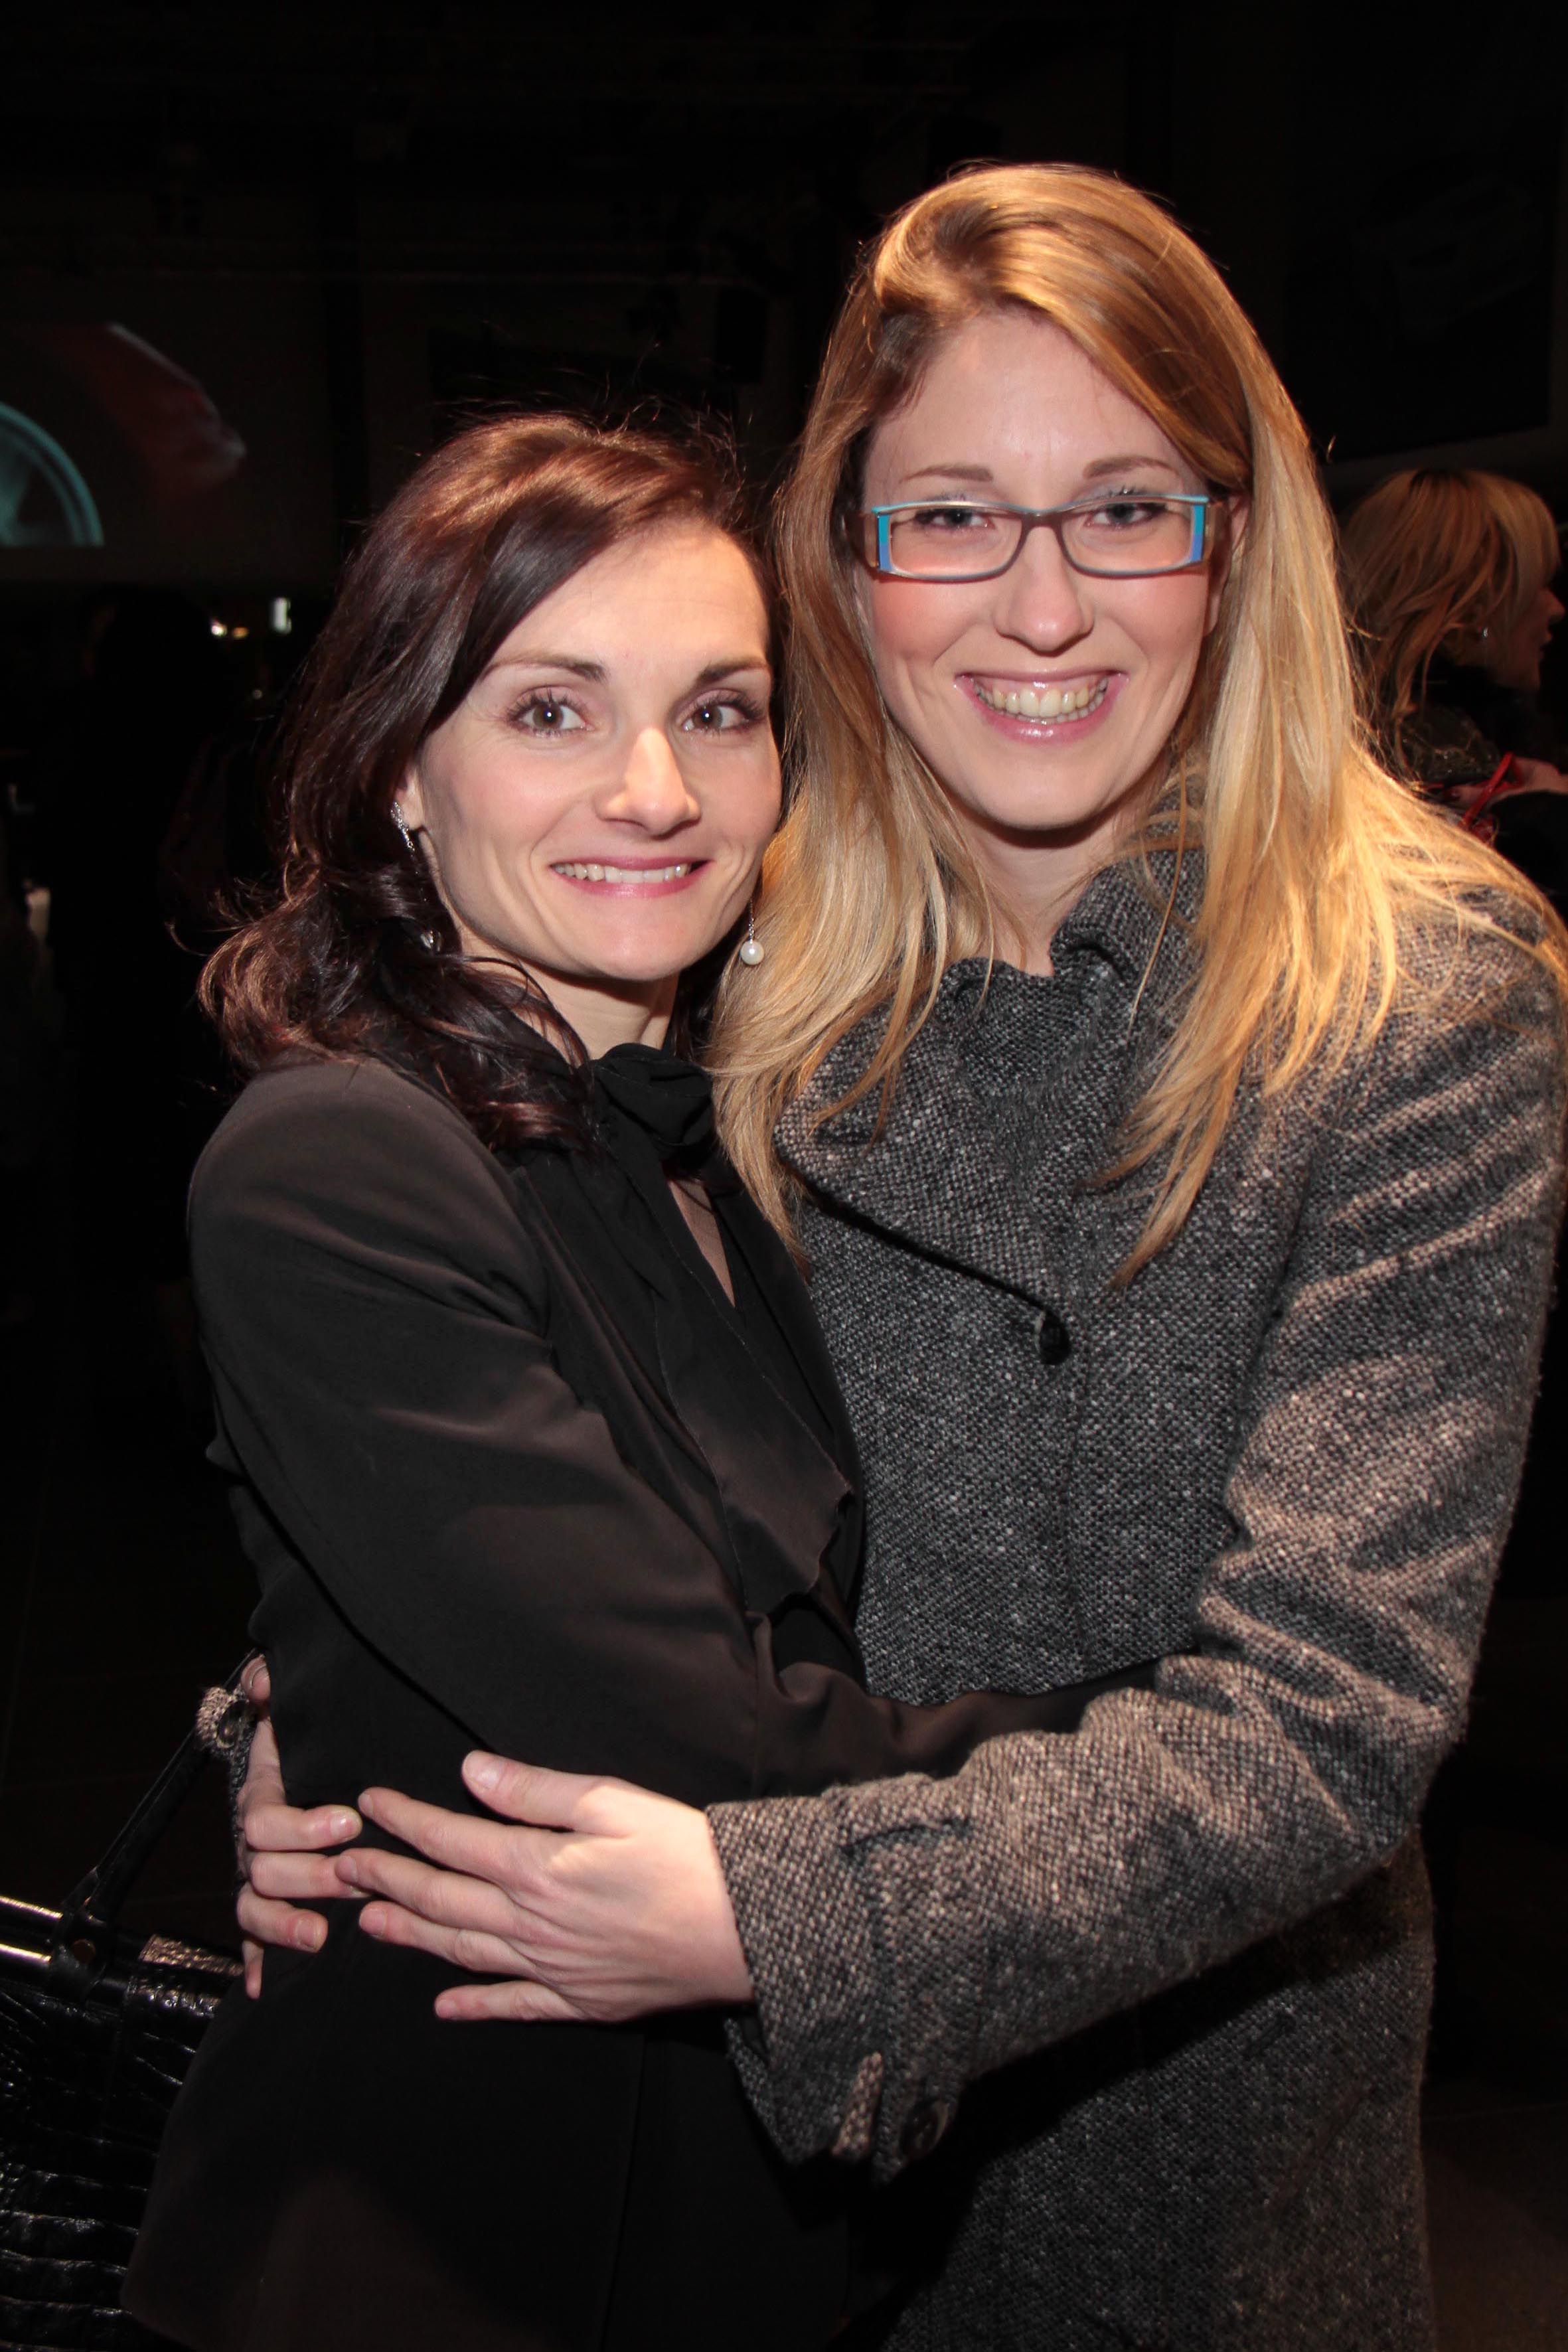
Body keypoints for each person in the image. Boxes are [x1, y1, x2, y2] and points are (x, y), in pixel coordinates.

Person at [234, 168, 1568, 2352]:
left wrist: (782, 1914)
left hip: (1186, 2133)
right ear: (847, 565)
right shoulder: (740, 950)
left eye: (1127, 507)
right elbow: (504, 1403)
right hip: (741, 2175)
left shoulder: (1417, 993)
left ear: (1237, 545)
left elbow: (1331, 1716)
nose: (1039, 607)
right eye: (949, 517)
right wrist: (307, 1712)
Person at [124, 412, 1144, 2352]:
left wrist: (288, 1695)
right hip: (447, 2237)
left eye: (721, 709)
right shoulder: (339, 1158)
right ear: (399, 769)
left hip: (741, 2216)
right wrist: (1219, 1738)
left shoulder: (706, 1148)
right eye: (552, 712)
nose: (656, 787)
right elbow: (703, 1726)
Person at [1341, 465, 1567, 910]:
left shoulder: (1360, 750)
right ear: (1479, 606)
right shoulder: (1464, 770)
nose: (1556, 607)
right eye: (1537, 584)